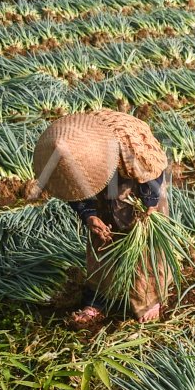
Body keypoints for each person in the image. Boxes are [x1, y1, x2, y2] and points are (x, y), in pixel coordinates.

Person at [30, 109, 170, 328]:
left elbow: (152, 171)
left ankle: (149, 298)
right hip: (101, 178)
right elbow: (71, 190)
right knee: (101, 239)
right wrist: (90, 215)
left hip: (136, 180)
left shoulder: (127, 142)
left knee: (143, 243)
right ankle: (97, 299)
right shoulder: (61, 148)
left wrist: (149, 204)